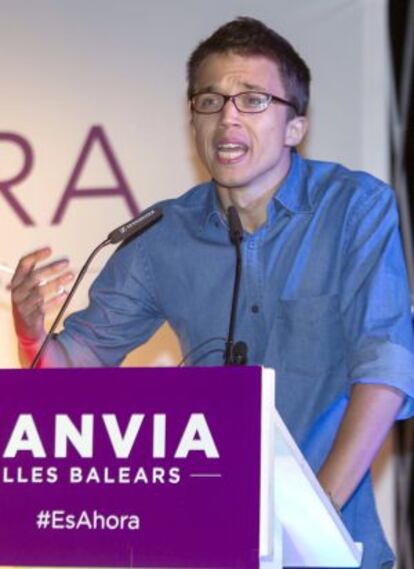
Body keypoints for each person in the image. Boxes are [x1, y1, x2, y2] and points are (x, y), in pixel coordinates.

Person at [10, 16, 414, 568]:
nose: (227, 117)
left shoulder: (354, 208)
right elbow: (70, 376)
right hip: (200, 543)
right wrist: (31, 330)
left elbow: (385, 370)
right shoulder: (161, 236)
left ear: (295, 126)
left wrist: (310, 521)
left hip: (331, 545)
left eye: (252, 100)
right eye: (209, 101)